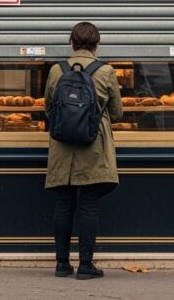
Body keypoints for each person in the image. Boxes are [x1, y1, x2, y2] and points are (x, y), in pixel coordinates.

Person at [43, 22, 123, 280]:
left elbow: (47, 109)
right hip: (93, 145)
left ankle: (61, 264)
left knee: (64, 203)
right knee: (88, 204)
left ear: (71, 43)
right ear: (97, 44)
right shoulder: (106, 71)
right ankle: (86, 265)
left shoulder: (57, 70)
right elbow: (117, 113)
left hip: (62, 147)